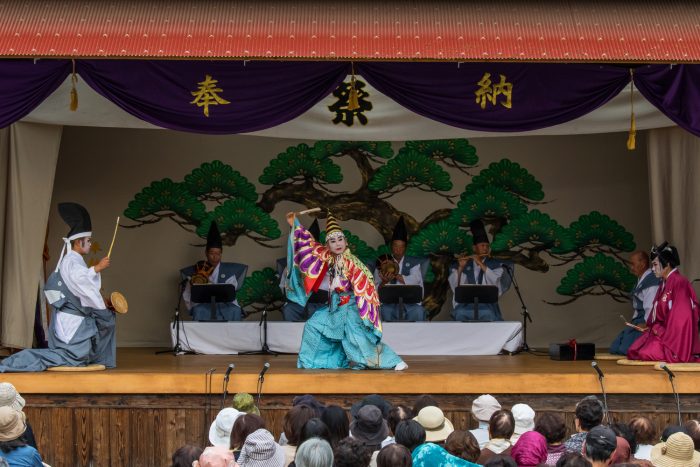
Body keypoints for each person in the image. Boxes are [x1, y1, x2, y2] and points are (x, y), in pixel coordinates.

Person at [0, 202, 117, 372]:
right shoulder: (71, 261)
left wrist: (101, 303)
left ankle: (97, 357)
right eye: (88, 241)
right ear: (78, 242)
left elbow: (81, 286)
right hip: (72, 320)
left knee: (107, 320)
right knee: (71, 357)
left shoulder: (75, 259)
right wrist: (97, 268)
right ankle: (13, 363)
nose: (91, 244)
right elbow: (79, 279)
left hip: (73, 315)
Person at [286, 211, 407, 371]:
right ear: (327, 246)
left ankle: (393, 361)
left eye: (340, 239)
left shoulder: (352, 262)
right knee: (313, 325)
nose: (337, 243)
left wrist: (341, 283)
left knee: (356, 339)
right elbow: (309, 247)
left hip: (351, 308)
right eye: (333, 241)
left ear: (346, 242)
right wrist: (294, 223)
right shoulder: (330, 257)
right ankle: (318, 361)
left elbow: (364, 284)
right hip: (336, 307)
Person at [627, 243, 700, 362]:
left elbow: (682, 318)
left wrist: (661, 331)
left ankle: (677, 353)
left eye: (655, 264)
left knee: (646, 353)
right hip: (661, 331)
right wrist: (652, 327)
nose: (653, 269)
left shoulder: (679, 282)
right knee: (633, 350)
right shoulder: (665, 282)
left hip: (674, 337)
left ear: (667, 265)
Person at [182, 221, 244, 321]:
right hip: (204, 305)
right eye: (212, 253)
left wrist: (210, 283)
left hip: (225, 306)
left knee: (235, 310)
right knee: (198, 310)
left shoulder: (229, 271)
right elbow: (188, 294)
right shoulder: (196, 270)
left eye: (218, 253)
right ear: (206, 253)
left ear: (221, 254)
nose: (215, 257)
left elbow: (231, 292)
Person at [449, 220, 506, 321]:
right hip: (466, 304)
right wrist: (461, 267)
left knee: (488, 313)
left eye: (487, 246)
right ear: (474, 248)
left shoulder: (495, 264)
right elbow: (456, 288)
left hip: (487, 305)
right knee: (460, 313)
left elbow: (495, 281)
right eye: (482, 246)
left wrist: (480, 263)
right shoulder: (466, 263)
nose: (485, 249)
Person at [374, 216, 427, 321]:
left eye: (401, 246)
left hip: (410, 304)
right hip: (389, 304)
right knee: (383, 310)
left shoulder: (414, 263)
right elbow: (375, 288)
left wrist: (395, 275)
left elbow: (415, 280)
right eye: (395, 246)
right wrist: (384, 282)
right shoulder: (383, 262)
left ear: (405, 248)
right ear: (391, 247)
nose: (398, 250)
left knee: (418, 311)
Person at [610, 251, 660, 355]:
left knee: (625, 349)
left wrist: (647, 325)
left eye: (633, 264)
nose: (631, 267)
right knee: (614, 348)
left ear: (642, 264)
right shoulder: (641, 279)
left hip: (648, 322)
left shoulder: (652, 281)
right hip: (638, 321)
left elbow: (650, 307)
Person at [280, 219, 327, 321]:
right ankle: (291, 336)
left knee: (312, 309)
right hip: (299, 304)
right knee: (289, 309)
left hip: (321, 305)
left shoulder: (326, 264)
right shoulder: (291, 266)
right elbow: (284, 288)